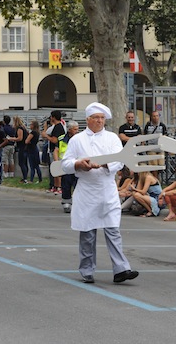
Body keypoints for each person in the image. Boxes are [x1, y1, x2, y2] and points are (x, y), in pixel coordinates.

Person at [60, 102, 139, 284]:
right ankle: (87, 270)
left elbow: (120, 161)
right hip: (87, 190)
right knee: (88, 233)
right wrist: (78, 164)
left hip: (107, 189)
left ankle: (121, 269)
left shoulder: (112, 138)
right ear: (88, 120)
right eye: (96, 117)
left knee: (113, 230)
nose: (99, 121)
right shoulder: (77, 140)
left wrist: (104, 164)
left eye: (102, 118)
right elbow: (65, 164)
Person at [58, 121, 79, 213]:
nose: (77, 131)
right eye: (75, 129)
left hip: (76, 164)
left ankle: (77, 203)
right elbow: (56, 150)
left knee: (77, 184)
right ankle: (66, 203)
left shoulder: (80, 139)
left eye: (77, 129)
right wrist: (57, 162)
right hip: (65, 164)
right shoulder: (62, 138)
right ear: (69, 130)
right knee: (66, 184)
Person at [42, 110, 65, 194]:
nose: (50, 118)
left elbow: (54, 140)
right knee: (54, 170)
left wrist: (46, 136)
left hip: (56, 150)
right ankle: (55, 186)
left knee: (57, 169)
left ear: (53, 117)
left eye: (51, 116)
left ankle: (59, 187)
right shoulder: (57, 126)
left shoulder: (58, 127)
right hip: (54, 150)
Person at [8, 116, 29, 183]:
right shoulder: (24, 128)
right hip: (25, 147)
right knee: (24, 163)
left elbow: (20, 138)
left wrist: (11, 139)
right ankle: (25, 177)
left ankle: (25, 178)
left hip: (22, 147)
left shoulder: (20, 129)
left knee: (22, 163)